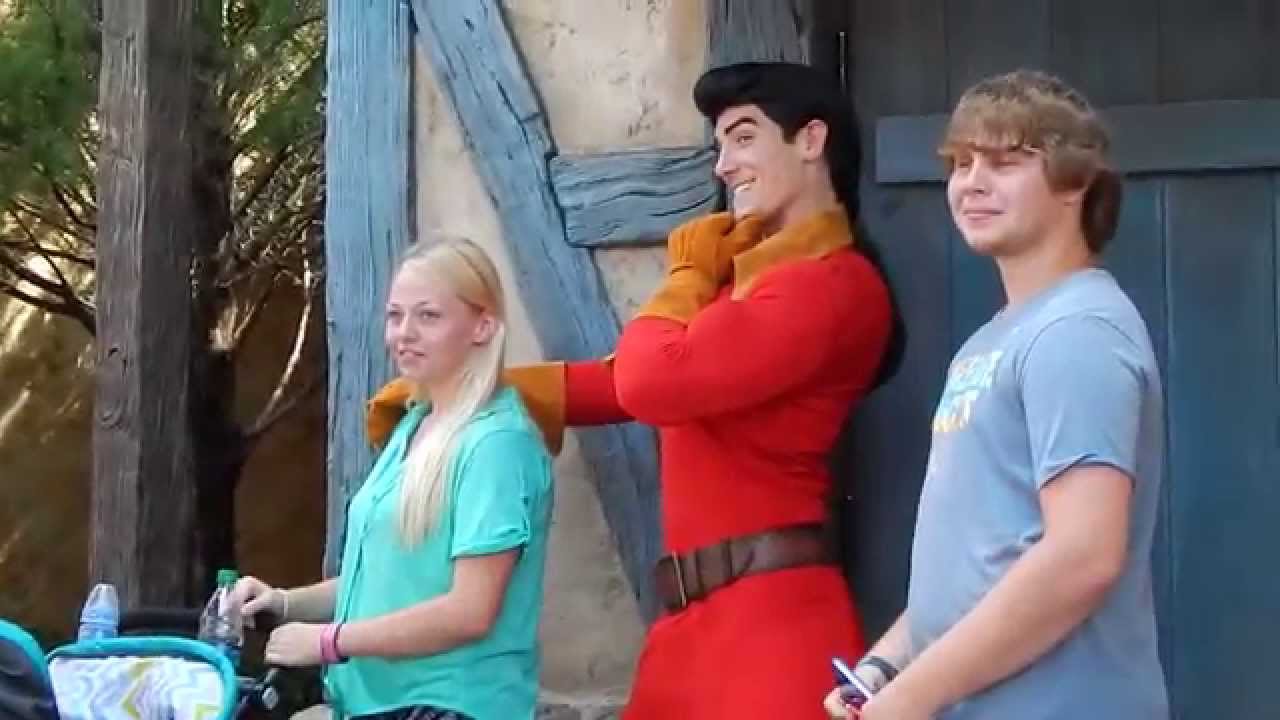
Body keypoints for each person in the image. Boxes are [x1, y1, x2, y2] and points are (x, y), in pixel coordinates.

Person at [368, 61, 900, 718]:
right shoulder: (755, 283)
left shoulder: (831, 285)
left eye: (742, 137)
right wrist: (465, 391)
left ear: (812, 140)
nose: (723, 166)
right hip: (693, 630)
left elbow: (651, 380)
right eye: (719, 146)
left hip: (771, 632)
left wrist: (685, 273)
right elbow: (626, 381)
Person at [825, 70, 1168, 719]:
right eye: (960, 161)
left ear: (1077, 184)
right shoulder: (994, 341)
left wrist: (911, 698)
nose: (971, 182)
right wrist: (882, 669)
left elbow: (1082, 557)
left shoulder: (1077, 333)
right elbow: (974, 566)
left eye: (1005, 162)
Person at [233, 236, 555, 720]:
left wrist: (328, 642)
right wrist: (281, 602)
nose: (404, 332)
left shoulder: (495, 445)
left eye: (428, 316)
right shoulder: (413, 426)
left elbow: (470, 611)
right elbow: (381, 585)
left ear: (483, 326)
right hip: (379, 707)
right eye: (395, 315)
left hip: (452, 707)